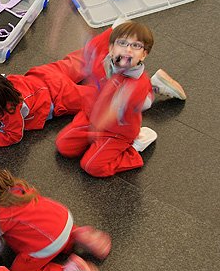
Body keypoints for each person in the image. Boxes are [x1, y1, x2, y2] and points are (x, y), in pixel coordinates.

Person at [48, 21, 186, 177]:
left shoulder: (137, 84)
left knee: (91, 166)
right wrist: (116, 26)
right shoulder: (102, 60)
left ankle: (134, 148)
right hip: (90, 117)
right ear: (111, 48)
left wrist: (98, 124)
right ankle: (154, 86)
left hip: (117, 131)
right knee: (63, 145)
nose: (128, 49)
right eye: (122, 43)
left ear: (144, 55)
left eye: (136, 46)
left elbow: (115, 108)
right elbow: (93, 46)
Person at [0, 66, 93, 150]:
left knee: (96, 99)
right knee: (84, 61)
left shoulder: (11, 111)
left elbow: (13, 135)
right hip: (43, 75)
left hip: (57, 96)